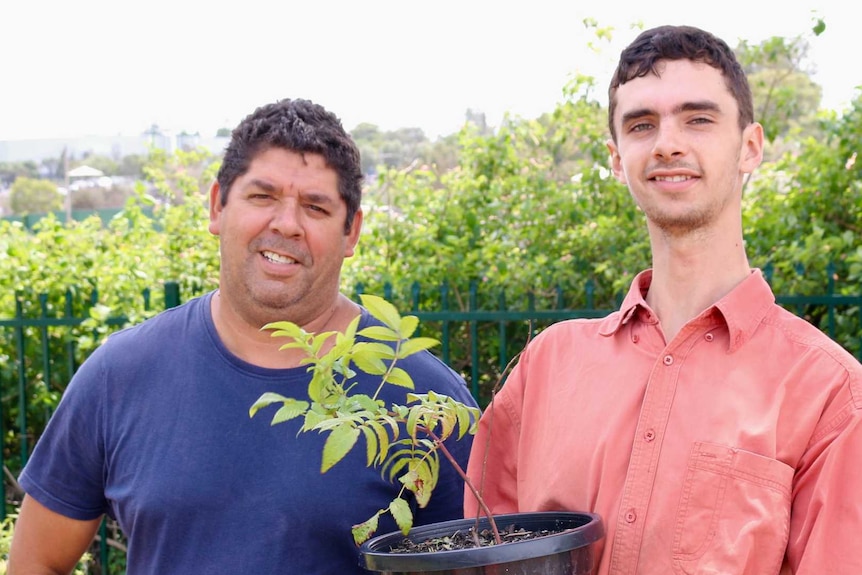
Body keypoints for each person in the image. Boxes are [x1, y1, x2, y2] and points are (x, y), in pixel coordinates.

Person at [10, 98, 478, 574]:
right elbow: (37, 562)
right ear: (218, 206)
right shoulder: (121, 374)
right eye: (262, 196)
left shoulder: (423, 398)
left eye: (316, 207)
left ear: (351, 232)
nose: (286, 223)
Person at [464, 25, 862, 574]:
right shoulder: (545, 368)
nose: (667, 143)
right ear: (615, 156)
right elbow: (487, 552)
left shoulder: (828, 393)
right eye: (641, 124)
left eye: (698, 119)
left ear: (750, 147)